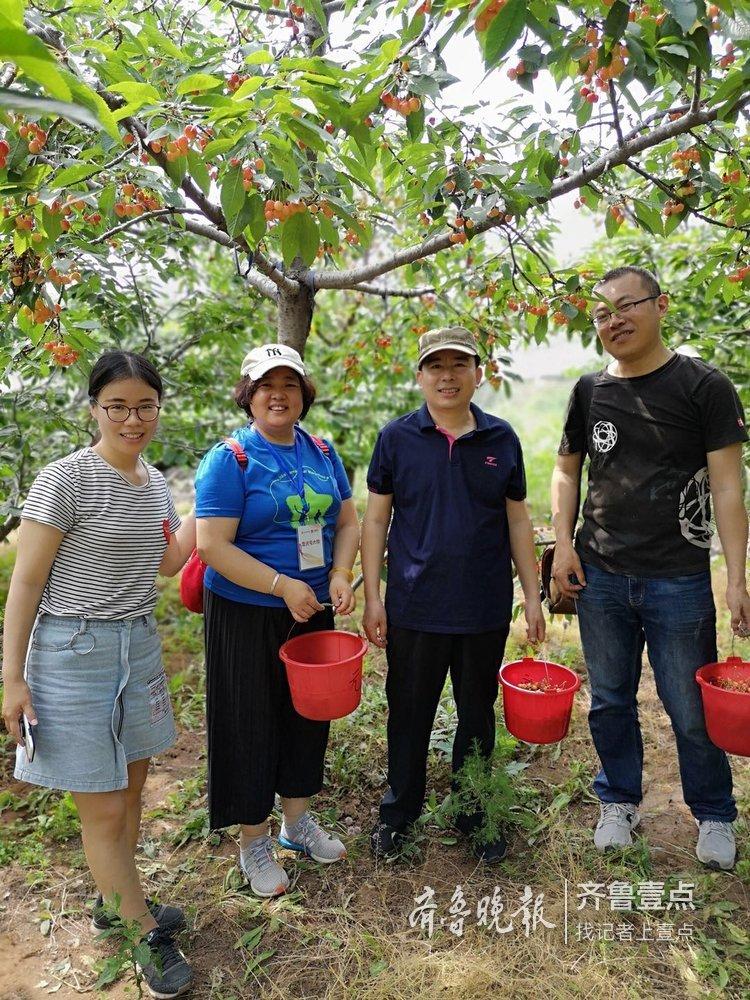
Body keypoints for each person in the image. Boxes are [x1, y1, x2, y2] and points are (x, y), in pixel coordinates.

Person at [1, 351, 196, 998]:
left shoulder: (153, 481)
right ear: (94, 409)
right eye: (117, 405)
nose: (132, 419)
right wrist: (12, 678)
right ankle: (140, 929)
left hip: (136, 647)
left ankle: (118, 899)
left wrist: (215, 502)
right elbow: (26, 583)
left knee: (132, 791)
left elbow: (165, 563)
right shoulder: (66, 480)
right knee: (105, 809)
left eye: (145, 405)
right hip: (71, 653)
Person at [551, 265, 749, 870]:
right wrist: (563, 544)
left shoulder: (703, 386)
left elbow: (727, 487)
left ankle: (713, 814)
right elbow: (567, 469)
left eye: (626, 305)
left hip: (679, 578)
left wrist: (737, 578)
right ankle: (619, 800)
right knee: (609, 698)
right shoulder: (589, 391)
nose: (614, 320)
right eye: (603, 313)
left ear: (660, 305)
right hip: (602, 573)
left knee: (689, 706)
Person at [361, 326, 545, 863]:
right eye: (435, 367)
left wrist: (531, 597)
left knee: (476, 714)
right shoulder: (397, 438)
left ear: (478, 374)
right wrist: (374, 596)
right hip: (414, 606)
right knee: (408, 712)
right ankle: (399, 813)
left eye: (458, 365)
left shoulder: (501, 439)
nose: (447, 376)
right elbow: (376, 519)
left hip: (482, 607)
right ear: (419, 377)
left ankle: (473, 809)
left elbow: (517, 521)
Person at [194, 343, 358, 898]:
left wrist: (338, 572)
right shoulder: (230, 459)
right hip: (247, 611)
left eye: (289, 384)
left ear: (304, 395)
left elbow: (348, 520)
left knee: (307, 716)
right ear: (248, 395)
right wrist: (279, 583)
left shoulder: (322, 450)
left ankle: (296, 823)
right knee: (249, 721)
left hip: (310, 609)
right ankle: (252, 841)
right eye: (266, 385)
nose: (278, 395)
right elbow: (212, 546)